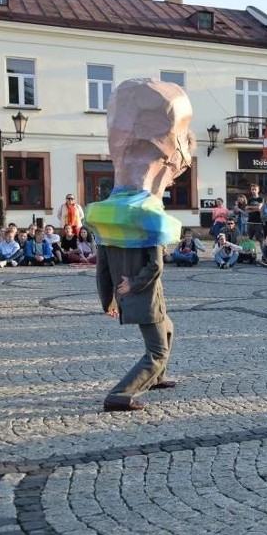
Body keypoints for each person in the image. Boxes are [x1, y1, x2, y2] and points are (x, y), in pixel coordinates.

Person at [87, 78, 190, 412]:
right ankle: (121, 394)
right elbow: (156, 265)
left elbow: (102, 265)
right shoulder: (147, 215)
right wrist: (132, 284)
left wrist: (108, 299)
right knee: (156, 350)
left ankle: (157, 378)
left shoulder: (104, 213)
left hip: (126, 293)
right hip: (143, 294)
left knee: (168, 328)